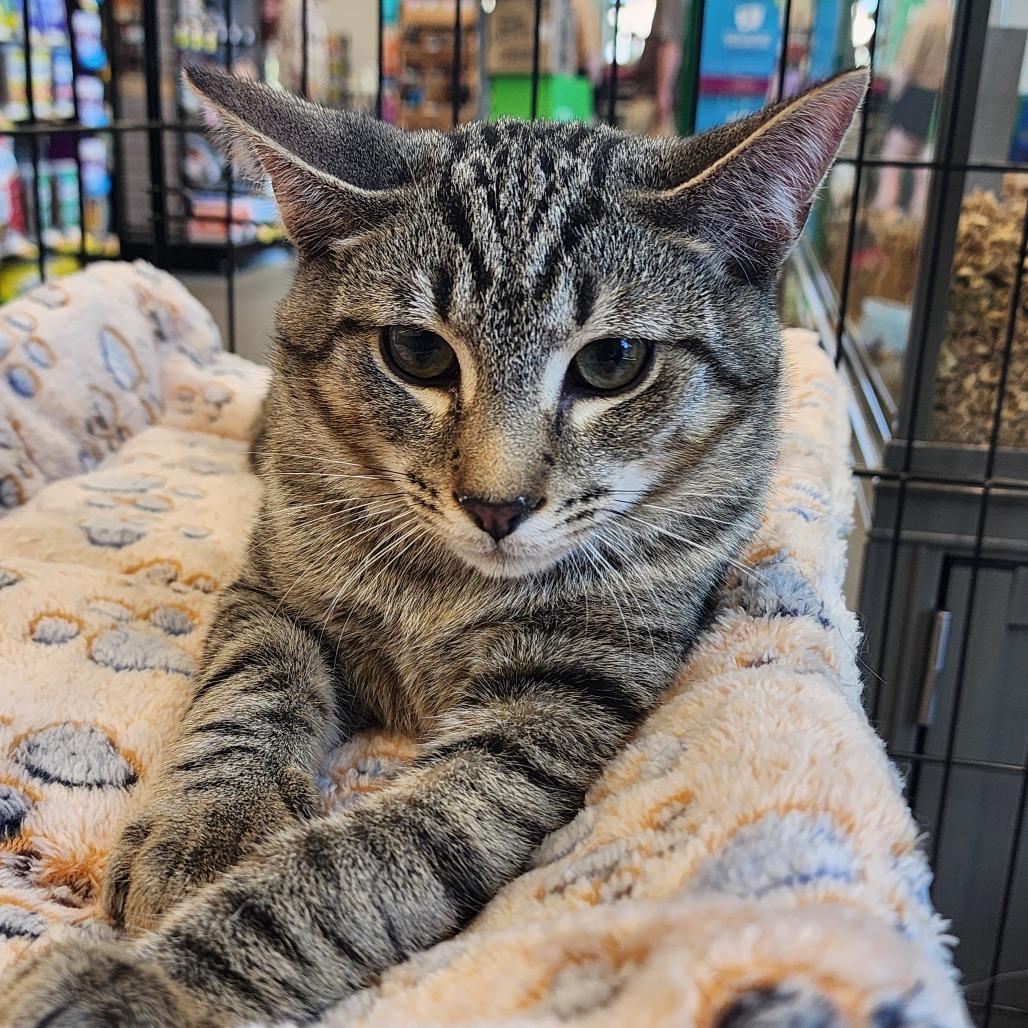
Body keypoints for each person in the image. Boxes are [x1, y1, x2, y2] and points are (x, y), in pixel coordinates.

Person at [873, 0, 952, 213]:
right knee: (924, 173)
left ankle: (884, 225)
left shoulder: (924, 18)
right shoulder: (951, 19)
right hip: (938, 101)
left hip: (915, 95)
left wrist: (893, 99)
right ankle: (918, 230)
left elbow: (906, 68)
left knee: (891, 165)